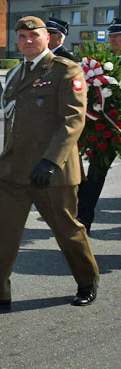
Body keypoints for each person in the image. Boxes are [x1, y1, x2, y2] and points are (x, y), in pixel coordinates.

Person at [0, 16, 99, 312]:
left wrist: (50, 161)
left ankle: (87, 281)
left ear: (47, 38)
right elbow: (12, 121)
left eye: (33, 35)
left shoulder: (65, 70)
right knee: (3, 234)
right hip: (13, 169)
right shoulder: (14, 72)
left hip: (52, 171)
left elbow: (72, 120)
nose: (27, 41)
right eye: (22, 36)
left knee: (66, 229)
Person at [77, 19, 121, 232]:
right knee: (96, 171)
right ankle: (83, 220)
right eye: (111, 35)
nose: (113, 39)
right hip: (106, 128)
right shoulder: (102, 62)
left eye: (118, 35)